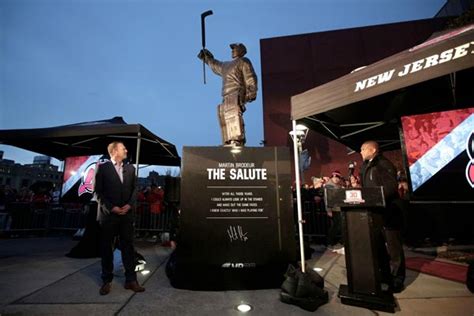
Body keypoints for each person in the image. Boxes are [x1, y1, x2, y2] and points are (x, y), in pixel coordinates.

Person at [94, 141, 145, 295]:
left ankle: (131, 280)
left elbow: (135, 189)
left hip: (126, 216)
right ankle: (106, 280)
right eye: (123, 148)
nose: (126, 150)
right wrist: (112, 207)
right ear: (115, 151)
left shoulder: (130, 168)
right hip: (109, 216)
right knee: (107, 248)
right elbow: (98, 193)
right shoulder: (102, 169)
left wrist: (129, 205)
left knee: (128, 247)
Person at [360, 140, 405, 293]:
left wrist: (374, 198)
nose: (361, 152)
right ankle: (385, 275)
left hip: (389, 213)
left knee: (394, 249)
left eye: (363, 149)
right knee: (379, 247)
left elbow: (391, 187)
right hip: (375, 214)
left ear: (372, 150)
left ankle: (397, 279)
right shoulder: (366, 166)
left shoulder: (383, 164)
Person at [198, 43, 258, 146]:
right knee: (223, 116)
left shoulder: (243, 61)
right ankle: (227, 141)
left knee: (233, 116)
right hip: (226, 95)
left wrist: (251, 93)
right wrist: (207, 58)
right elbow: (215, 65)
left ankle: (237, 140)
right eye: (232, 49)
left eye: (235, 49)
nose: (232, 50)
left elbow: (250, 78)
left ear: (241, 51)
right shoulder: (226, 65)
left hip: (237, 93)